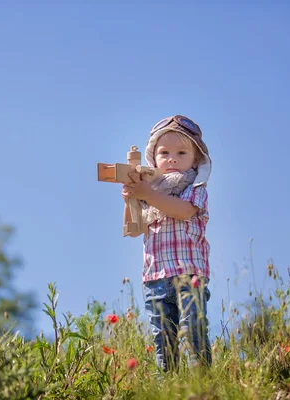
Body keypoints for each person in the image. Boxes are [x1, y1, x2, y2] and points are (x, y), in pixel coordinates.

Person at [122, 115, 212, 372]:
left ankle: (201, 382)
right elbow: (134, 229)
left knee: (193, 327)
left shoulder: (195, 188)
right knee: (164, 338)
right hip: (155, 278)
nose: (172, 158)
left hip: (189, 275)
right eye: (165, 152)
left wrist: (147, 194)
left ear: (195, 160)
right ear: (154, 158)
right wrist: (131, 198)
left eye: (181, 152)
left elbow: (183, 211)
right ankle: (168, 386)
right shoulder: (150, 192)